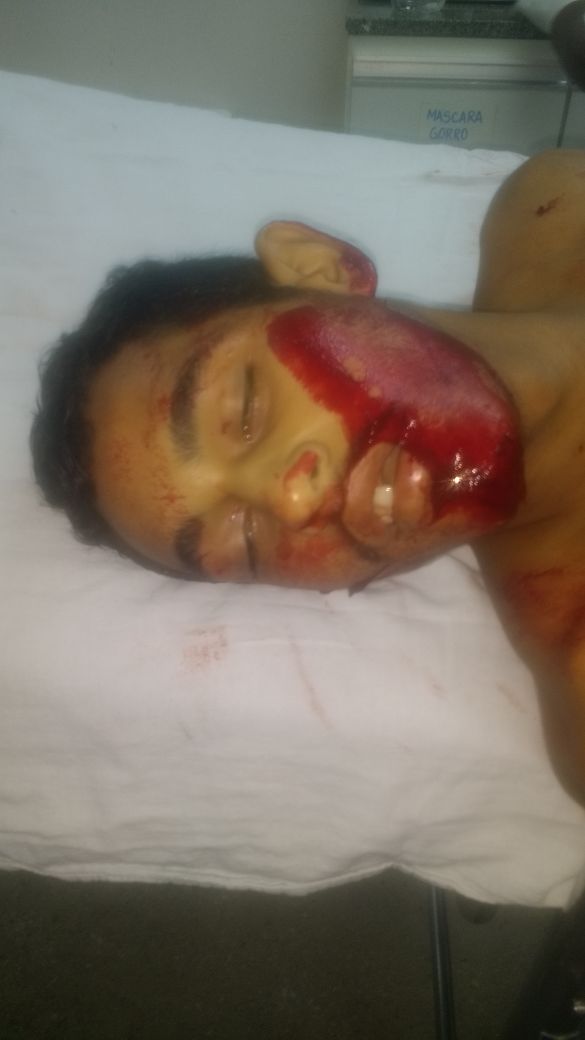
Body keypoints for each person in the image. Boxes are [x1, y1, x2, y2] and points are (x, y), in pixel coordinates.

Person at [31, 149, 585, 807]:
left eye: (245, 410)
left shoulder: (549, 205)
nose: (293, 501)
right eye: (247, 543)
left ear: (319, 267)